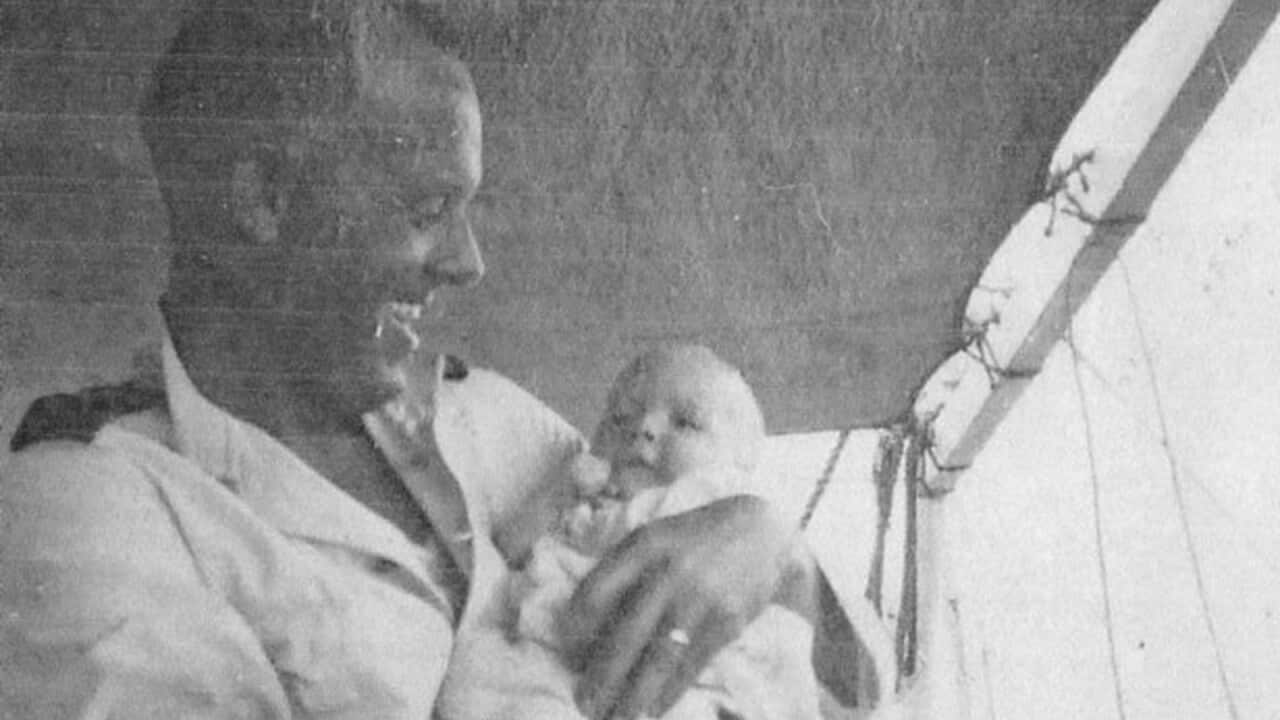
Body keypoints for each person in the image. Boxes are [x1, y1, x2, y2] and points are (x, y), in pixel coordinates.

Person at [0, 1, 888, 718]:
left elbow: (829, 672)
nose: (470, 263)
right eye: (428, 209)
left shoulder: (487, 414)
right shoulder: (87, 503)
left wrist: (772, 548)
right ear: (264, 197)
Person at [439, 344, 821, 720]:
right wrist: (559, 494)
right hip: (555, 667)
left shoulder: (720, 502)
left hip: (690, 683)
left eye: (686, 422)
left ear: (741, 462)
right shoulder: (582, 502)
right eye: (621, 418)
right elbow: (501, 555)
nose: (644, 429)